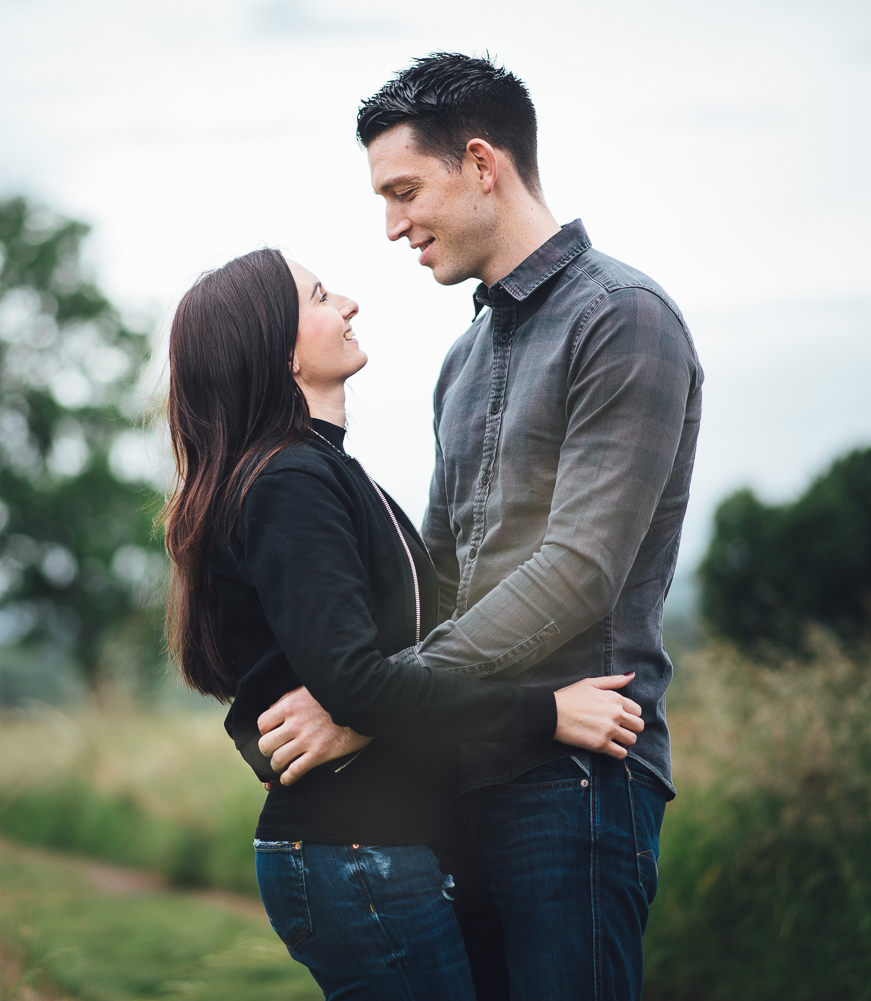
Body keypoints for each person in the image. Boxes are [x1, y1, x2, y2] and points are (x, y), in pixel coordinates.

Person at [254, 54, 705, 1000]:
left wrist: (367, 704)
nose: (392, 226)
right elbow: (439, 577)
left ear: (482, 164)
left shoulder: (623, 320)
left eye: (406, 190)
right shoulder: (461, 363)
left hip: (579, 775)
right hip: (458, 776)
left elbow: (578, 570)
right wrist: (375, 694)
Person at [161, 247, 647, 1000]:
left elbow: (372, 670)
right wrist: (548, 711)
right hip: (354, 848)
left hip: (378, 845)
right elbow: (356, 683)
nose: (348, 302)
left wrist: (363, 705)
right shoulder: (291, 481)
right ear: (279, 354)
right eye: (321, 297)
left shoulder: (322, 472)